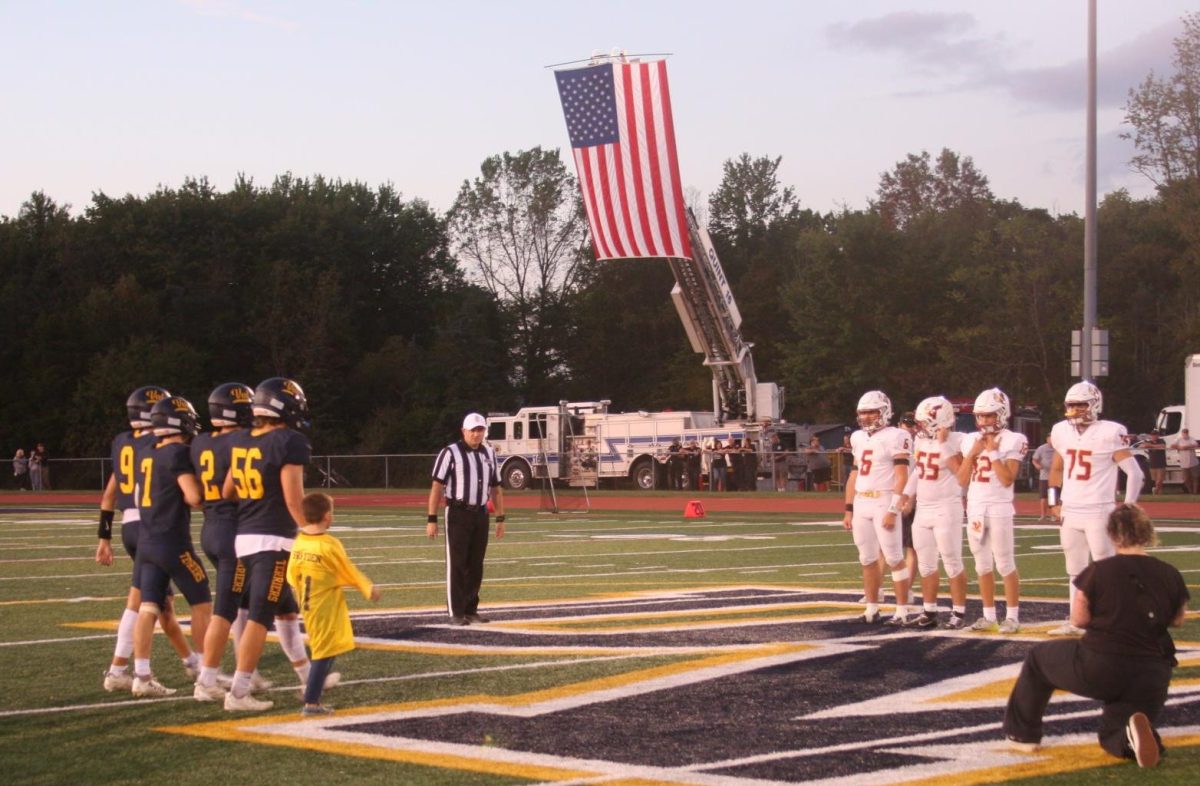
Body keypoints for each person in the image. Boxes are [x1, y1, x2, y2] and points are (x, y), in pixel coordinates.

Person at [1003, 504, 1188, 768]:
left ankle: (1023, 735)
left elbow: (1079, 619)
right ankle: (1129, 736)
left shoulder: (1099, 571)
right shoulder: (1170, 573)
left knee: (1038, 659)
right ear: (1148, 533)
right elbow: (1178, 619)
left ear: (1112, 534)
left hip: (1101, 664)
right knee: (1113, 732)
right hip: (1152, 673)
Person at [221, 377, 317, 712]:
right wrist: (311, 532)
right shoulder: (289, 441)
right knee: (260, 617)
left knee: (286, 609)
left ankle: (308, 678)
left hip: (244, 538)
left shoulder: (242, 439)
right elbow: (293, 499)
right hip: (273, 540)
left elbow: (228, 489)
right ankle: (238, 692)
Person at [97, 386, 198, 692]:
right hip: (153, 525)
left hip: (129, 525)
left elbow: (109, 494)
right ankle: (121, 670)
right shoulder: (159, 443)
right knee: (143, 603)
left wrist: (104, 537)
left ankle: (191, 663)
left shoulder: (122, 442)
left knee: (161, 603)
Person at [129, 396, 212, 696]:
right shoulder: (177, 452)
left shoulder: (146, 451)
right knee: (202, 603)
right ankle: (206, 674)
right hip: (173, 542)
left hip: (147, 541)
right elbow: (193, 496)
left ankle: (141, 675)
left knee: (148, 607)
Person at [1047, 381, 1144, 635]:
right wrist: (1052, 501)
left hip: (1099, 509)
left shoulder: (1109, 432)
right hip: (1071, 509)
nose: (1076, 410)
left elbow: (1135, 474)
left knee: (1107, 569)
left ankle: (1112, 620)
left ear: (1094, 405)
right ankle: (1076, 621)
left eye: (1082, 404)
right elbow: (1055, 469)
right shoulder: (1061, 431)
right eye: (1072, 405)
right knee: (1074, 570)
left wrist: (1128, 507)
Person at [192, 383, 261, 702]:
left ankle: (247, 672)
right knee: (224, 610)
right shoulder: (243, 439)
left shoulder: (199, 441)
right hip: (233, 530)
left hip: (210, 526)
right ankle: (206, 680)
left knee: (242, 602)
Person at [287, 493, 381, 716]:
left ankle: (314, 687)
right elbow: (348, 570)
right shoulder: (329, 545)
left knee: (327, 648)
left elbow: (291, 575)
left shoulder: (300, 542)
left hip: (307, 604)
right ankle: (311, 701)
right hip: (324, 605)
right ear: (327, 516)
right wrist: (368, 588)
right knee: (323, 651)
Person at [957, 388, 1027, 633]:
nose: (985, 420)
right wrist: (972, 455)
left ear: (1002, 413)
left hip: (999, 507)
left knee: (1005, 563)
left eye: (990, 415)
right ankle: (989, 616)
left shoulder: (1013, 439)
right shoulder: (970, 440)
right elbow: (961, 479)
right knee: (982, 564)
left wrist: (993, 451)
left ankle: (1012, 617)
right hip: (975, 508)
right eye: (981, 415)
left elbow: (1007, 479)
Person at [427, 413, 506, 625]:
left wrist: (500, 517)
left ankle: (471, 609)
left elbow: (496, 488)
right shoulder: (450, 453)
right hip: (458, 513)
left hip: (481, 513)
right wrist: (431, 518)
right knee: (457, 563)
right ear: (464, 431)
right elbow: (437, 486)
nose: (477, 434)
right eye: (473, 430)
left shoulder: (489, 453)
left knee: (476, 564)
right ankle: (456, 611)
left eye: (480, 430)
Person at [842, 390, 913, 624]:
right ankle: (871, 609)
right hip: (862, 501)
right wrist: (849, 509)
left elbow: (902, 476)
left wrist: (893, 509)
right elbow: (854, 474)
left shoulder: (897, 435)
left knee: (894, 557)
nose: (866, 417)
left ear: (884, 412)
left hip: (884, 499)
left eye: (872, 412)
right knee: (867, 558)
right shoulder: (858, 438)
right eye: (863, 412)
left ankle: (902, 610)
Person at [901, 396, 968, 629]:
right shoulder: (921, 441)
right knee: (926, 564)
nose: (919, 427)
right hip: (924, 508)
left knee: (952, 561)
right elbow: (918, 472)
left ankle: (959, 612)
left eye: (924, 422)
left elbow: (961, 474)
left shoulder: (959, 440)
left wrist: (944, 444)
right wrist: (906, 496)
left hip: (947, 507)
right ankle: (929, 611)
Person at [1031, 435, 1056, 520]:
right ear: (1047, 439)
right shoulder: (1041, 448)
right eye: (1050, 439)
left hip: (1054, 477)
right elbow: (1034, 459)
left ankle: (1053, 515)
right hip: (1044, 476)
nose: (1052, 441)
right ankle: (1043, 515)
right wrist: (1037, 465)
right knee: (1043, 497)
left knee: (1052, 496)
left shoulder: (1057, 448)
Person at [1169, 428, 1198, 494]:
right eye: (1184, 432)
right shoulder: (1179, 439)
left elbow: (1195, 444)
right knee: (1186, 479)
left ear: (1188, 433)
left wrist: (1186, 447)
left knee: (1195, 477)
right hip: (1184, 463)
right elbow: (1172, 445)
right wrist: (1178, 447)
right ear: (1182, 433)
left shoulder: (1191, 439)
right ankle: (1190, 492)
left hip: (1193, 462)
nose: (1185, 434)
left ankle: (1195, 492)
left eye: (1186, 432)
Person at [1145, 430, 1167, 495]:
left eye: (1155, 435)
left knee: (1160, 480)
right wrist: (1151, 445)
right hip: (1152, 464)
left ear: (1158, 435)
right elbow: (1142, 446)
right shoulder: (1149, 441)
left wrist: (1151, 446)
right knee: (1155, 480)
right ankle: (1158, 493)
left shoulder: (1161, 441)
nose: (1153, 436)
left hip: (1161, 464)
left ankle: (1156, 490)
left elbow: (1162, 446)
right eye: (1152, 435)